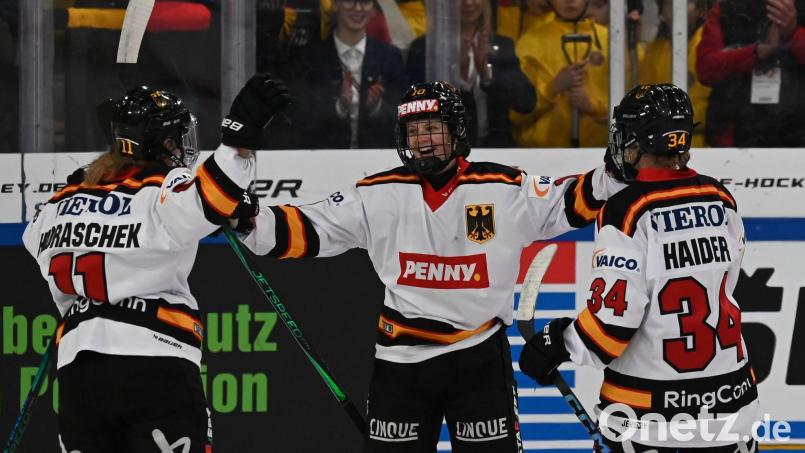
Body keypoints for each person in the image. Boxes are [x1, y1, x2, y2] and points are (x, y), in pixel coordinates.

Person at [234, 81, 625, 452]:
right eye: (413, 131)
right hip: (401, 364)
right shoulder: (377, 193)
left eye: (432, 128)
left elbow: (572, 200)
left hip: (479, 358)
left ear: (456, 132)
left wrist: (617, 169)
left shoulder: (504, 188)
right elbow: (307, 228)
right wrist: (247, 217)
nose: (421, 140)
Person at [21, 73, 289, 452]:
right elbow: (210, 197)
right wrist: (239, 141)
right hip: (154, 363)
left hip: (79, 374)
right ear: (163, 143)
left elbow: (33, 238)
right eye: (177, 137)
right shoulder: (162, 190)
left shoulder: (60, 202)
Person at [518, 84, 759, 452]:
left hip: (649, 419)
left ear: (639, 141)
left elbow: (611, 328)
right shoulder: (720, 198)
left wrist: (556, 343)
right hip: (733, 408)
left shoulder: (626, 211)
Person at [406, 0, 536, 147]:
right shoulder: (424, 48)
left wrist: (489, 76)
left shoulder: (502, 45)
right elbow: (414, 107)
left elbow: (526, 102)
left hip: (496, 150)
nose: (468, 3)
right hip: (444, 150)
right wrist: (456, 72)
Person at [293, 0, 407, 149]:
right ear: (335, 5)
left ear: (373, 8)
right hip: (325, 163)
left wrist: (377, 107)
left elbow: (404, 120)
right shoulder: (311, 57)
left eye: (365, 2)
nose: (358, 8)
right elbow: (302, 121)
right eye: (349, 1)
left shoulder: (390, 57)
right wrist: (339, 107)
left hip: (377, 163)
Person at [696, 0, 805, 147]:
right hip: (736, 141)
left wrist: (793, 32)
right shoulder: (728, 8)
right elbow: (706, 68)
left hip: (797, 139)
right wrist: (756, 52)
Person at [511, 0, 611, 148]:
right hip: (541, 154)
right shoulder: (530, 42)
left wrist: (592, 106)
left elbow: (628, 108)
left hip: (599, 152)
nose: (569, 1)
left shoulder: (610, 41)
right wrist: (552, 88)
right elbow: (514, 113)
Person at [640, 0, 711, 147]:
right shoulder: (654, 51)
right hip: (662, 147)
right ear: (661, 14)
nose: (677, 9)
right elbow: (642, 101)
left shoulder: (710, 47)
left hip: (705, 146)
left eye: (687, 2)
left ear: (702, 10)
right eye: (668, 3)